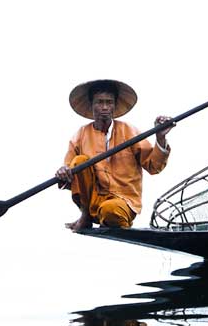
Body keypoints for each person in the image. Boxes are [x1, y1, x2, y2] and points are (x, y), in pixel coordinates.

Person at [56, 79, 174, 231]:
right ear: (92, 105)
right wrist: (63, 171)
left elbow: (153, 166)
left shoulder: (129, 131)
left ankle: (113, 220)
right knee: (79, 162)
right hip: (92, 202)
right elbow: (69, 169)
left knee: (110, 211)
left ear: (114, 105)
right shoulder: (81, 135)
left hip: (122, 202)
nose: (104, 107)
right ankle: (85, 215)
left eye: (109, 102)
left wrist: (160, 137)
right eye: (99, 102)